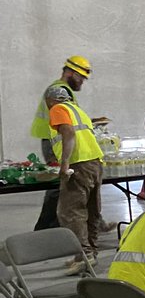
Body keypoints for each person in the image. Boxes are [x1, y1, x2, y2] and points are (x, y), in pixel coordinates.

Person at [48, 70, 106, 262]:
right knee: (91, 211)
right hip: (95, 164)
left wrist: (64, 166)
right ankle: (91, 254)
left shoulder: (57, 109)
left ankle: (84, 257)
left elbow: (69, 134)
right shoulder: (78, 110)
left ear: (52, 100)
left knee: (71, 212)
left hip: (78, 166)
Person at [31, 55, 94, 232]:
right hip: (55, 142)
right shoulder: (58, 91)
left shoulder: (65, 90)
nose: (82, 81)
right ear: (70, 72)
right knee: (59, 185)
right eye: (80, 77)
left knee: (65, 184)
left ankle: (56, 227)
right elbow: (63, 122)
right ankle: (44, 229)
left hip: (57, 140)